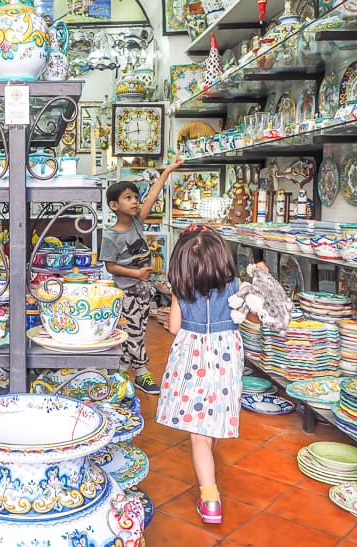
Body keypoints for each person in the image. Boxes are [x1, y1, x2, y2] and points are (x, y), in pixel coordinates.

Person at [155, 225, 261, 525]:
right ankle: (209, 476)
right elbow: (253, 316)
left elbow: (174, 327)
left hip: (191, 359)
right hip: (226, 359)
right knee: (213, 420)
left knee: (198, 436)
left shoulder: (181, 288)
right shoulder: (237, 285)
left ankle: (210, 499)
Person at [99, 156, 183, 394]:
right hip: (126, 293)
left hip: (143, 291)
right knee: (133, 332)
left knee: (136, 330)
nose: (135, 201)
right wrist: (136, 272)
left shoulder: (137, 222)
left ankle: (123, 370)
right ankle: (142, 373)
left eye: (135, 197)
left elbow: (154, 194)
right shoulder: (111, 235)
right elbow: (110, 266)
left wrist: (167, 171)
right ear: (114, 205)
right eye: (128, 197)